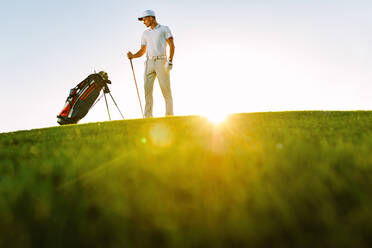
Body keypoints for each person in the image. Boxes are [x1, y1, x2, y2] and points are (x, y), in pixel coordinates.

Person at [127, 10, 175, 118]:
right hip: (149, 63)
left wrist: (170, 61)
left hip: (161, 61)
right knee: (147, 91)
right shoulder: (145, 33)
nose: (144, 22)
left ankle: (169, 116)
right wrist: (133, 56)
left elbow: (172, 45)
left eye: (145, 19)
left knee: (166, 90)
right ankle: (148, 116)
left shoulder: (164, 29)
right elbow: (142, 51)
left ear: (151, 18)